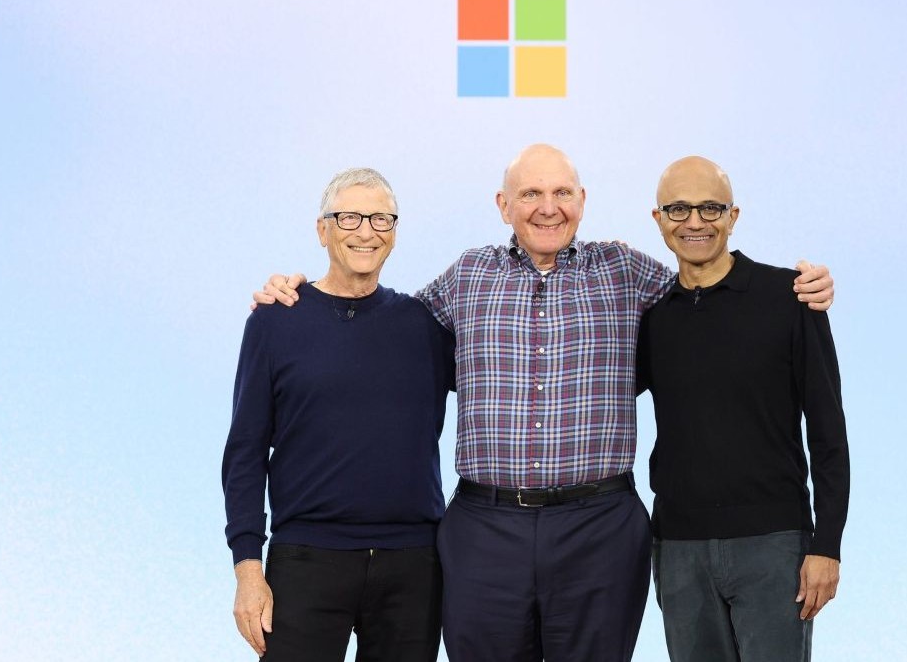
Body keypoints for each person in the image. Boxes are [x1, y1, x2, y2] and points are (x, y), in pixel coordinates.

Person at [255, 144, 835, 661]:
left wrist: (796, 285)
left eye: (561, 193)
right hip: (487, 527)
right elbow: (382, 327)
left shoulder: (627, 272)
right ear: (503, 204)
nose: (547, 207)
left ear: (582, 201)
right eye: (530, 193)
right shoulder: (467, 277)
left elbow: (708, 284)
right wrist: (303, 300)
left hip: (600, 527)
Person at [222, 168, 455, 661]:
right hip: (305, 561)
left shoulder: (425, 326)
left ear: (395, 231)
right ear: (322, 229)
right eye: (349, 217)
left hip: (413, 566)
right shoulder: (274, 320)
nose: (366, 231)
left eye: (381, 219)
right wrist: (248, 570)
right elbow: (244, 452)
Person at [637, 156, 849, 662]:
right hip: (680, 548)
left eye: (710, 208)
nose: (695, 222)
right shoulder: (651, 317)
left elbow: (828, 432)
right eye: (679, 209)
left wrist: (827, 544)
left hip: (774, 545)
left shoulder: (790, 298)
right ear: (658, 219)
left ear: (733, 216)